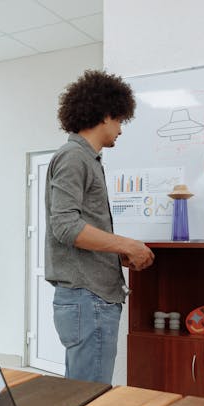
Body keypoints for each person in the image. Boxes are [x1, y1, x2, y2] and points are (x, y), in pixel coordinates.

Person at [45, 70, 155, 384]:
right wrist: (126, 245)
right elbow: (66, 226)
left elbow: (78, 229)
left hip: (90, 297)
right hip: (87, 297)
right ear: (106, 115)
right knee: (88, 399)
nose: (120, 130)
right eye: (120, 121)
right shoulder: (73, 158)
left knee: (81, 394)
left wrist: (115, 254)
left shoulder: (86, 159)